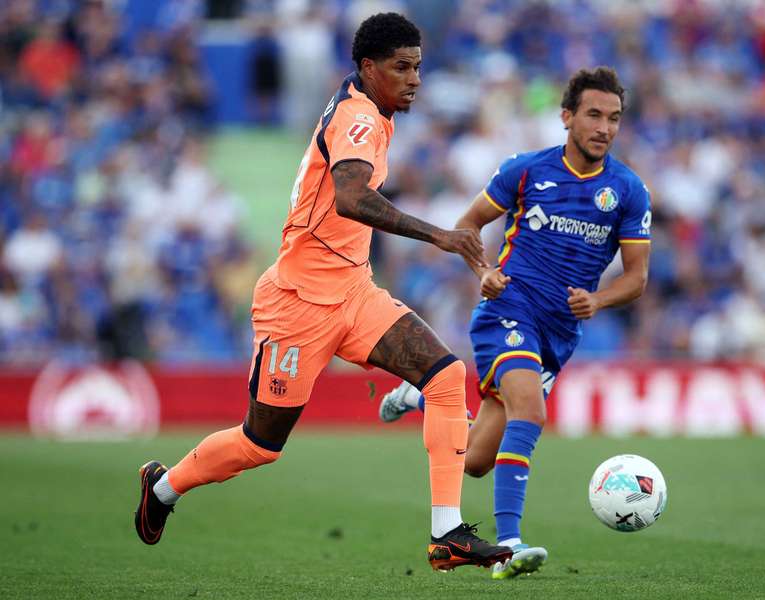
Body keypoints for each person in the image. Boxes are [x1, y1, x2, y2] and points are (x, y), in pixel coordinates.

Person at [134, 12, 513, 572]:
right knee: (260, 444)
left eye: (418, 67)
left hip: (354, 292)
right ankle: (163, 488)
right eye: (401, 67)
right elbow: (351, 198)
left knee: (445, 376)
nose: (414, 79)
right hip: (298, 304)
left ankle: (447, 534)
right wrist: (439, 235)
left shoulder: (367, 108)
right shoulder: (359, 117)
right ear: (368, 67)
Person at [379, 66, 652, 579]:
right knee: (531, 409)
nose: (604, 128)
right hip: (509, 310)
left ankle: (419, 398)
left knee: (477, 459)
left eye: (614, 118)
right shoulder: (526, 171)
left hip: (560, 333)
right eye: (594, 114)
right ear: (567, 116)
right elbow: (467, 226)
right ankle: (508, 544)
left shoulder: (628, 191)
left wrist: (599, 299)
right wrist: (483, 271)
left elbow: (636, 279)